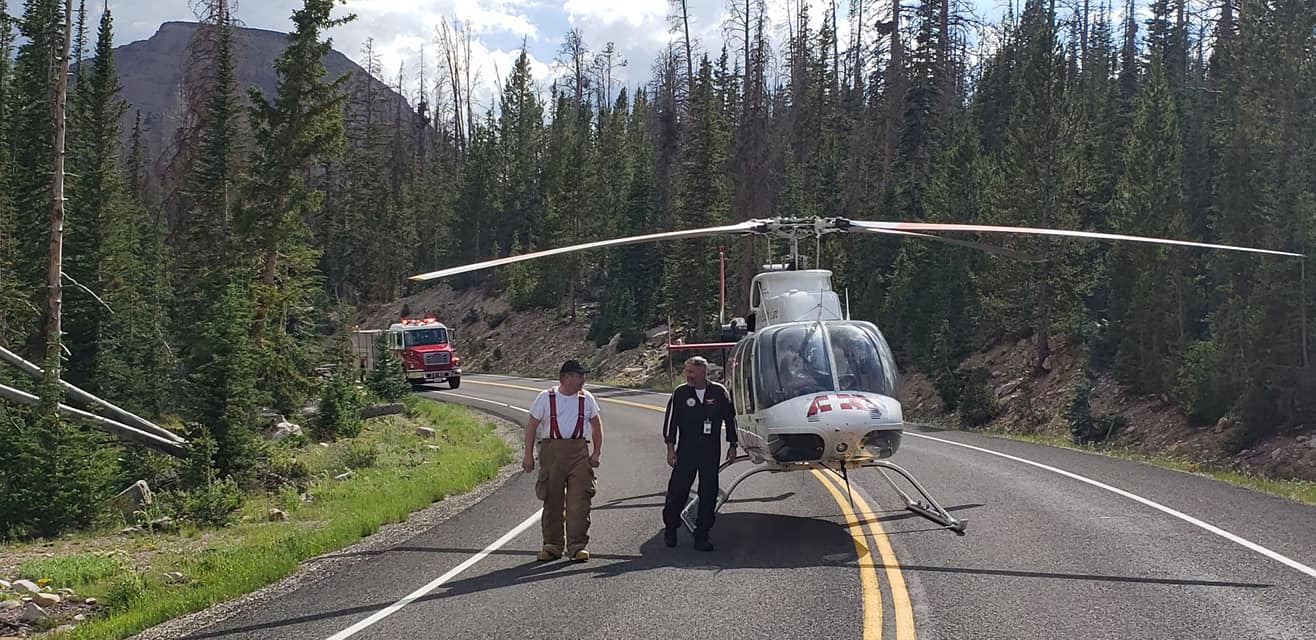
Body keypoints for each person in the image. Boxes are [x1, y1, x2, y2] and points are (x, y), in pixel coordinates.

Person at [523, 360, 603, 562]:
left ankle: (577, 546)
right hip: (552, 453)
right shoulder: (545, 397)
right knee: (553, 500)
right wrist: (528, 455)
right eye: (579, 375)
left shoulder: (587, 398)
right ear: (566, 377)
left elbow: (596, 426)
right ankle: (552, 545)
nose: (583, 379)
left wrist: (596, 453)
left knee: (579, 501)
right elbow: (531, 426)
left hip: (579, 452)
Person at [661, 356, 738, 551]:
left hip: (710, 451)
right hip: (686, 451)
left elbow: (730, 419)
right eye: (686, 371)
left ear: (703, 372)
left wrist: (733, 444)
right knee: (678, 491)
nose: (688, 375)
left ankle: (702, 534)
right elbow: (671, 421)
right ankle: (671, 527)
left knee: (708, 493)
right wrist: (670, 448)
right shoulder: (680, 393)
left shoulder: (719, 392)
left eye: (691, 372)